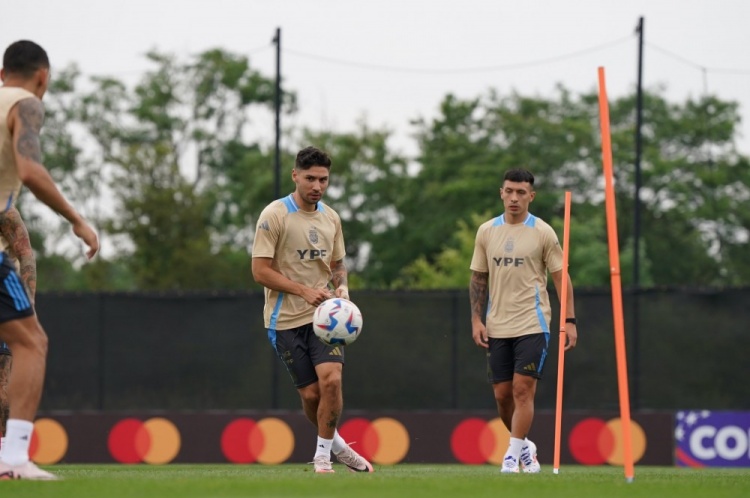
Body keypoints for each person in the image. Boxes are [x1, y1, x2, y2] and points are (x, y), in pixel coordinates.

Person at [0, 40, 99, 480]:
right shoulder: (25, 104)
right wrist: (77, 220)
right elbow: (30, 170)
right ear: (43, 77)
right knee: (31, 343)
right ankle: (13, 457)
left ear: (2, 73)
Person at [251, 146, 373, 474]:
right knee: (310, 395)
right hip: (284, 320)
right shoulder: (275, 215)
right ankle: (339, 446)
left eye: (323, 179)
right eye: (310, 179)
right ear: (295, 176)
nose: (317, 186)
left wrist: (342, 289)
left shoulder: (331, 218)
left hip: (325, 320)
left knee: (331, 381)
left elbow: (337, 265)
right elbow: (260, 272)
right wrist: (303, 290)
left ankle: (322, 457)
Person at [469, 168, 577, 474]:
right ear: (501, 193)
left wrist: (569, 319)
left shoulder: (543, 232)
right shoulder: (486, 231)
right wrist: (476, 319)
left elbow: (561, 278)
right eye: (509, 191)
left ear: (531, 196)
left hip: (533, 323)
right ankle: (525, 447)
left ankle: (511, 457)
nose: (514, 197)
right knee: (502, 396)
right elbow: (478, 278)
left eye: (520, 192)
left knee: (522, 390)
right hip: (497, 325)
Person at [0, 206, 37, 459]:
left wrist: (28, 302)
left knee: (3, 378)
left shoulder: (4, 208)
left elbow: (25, 255)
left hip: (3, 297)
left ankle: (4, 450)